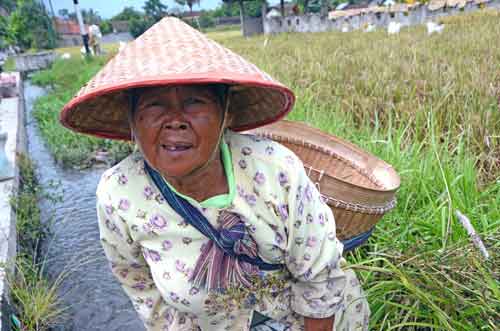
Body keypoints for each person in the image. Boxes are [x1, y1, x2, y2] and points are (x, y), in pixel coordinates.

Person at [60, 17, 369, 331]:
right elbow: (143, 292)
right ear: (131, 122)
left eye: (195, 102)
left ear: (227, 114)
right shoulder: (119, 195)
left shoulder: (276, 170)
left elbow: (320, 278)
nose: (175, 120)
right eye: (154, 105)